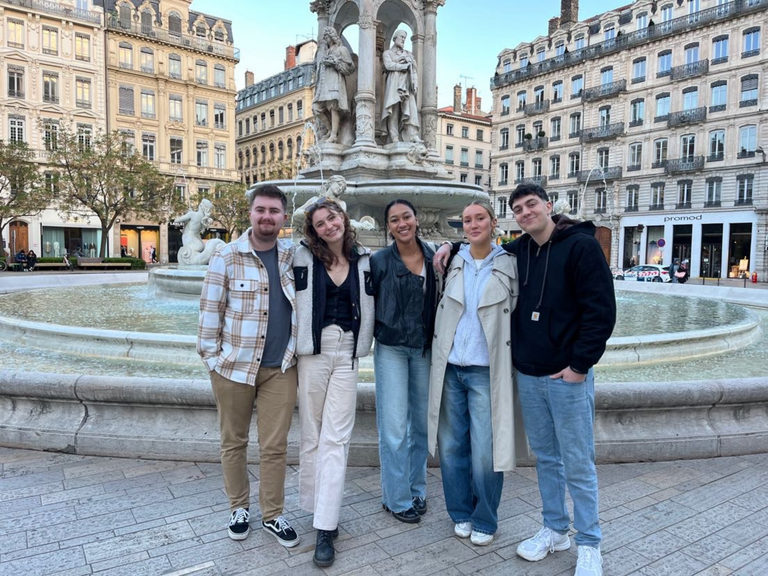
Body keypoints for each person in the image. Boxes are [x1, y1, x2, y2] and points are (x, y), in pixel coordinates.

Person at [434, 184, 616, 576]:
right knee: (547, 459)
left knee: (578, 462)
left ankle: (589, 542)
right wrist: (450, 244)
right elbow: (479, 244)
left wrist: (579, 366)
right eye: (518, 209)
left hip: (567, 376)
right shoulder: (519, 250)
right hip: (530, 375)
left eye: (531, 205)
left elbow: (601, 311)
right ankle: (555, 530)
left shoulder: (582, 247)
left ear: (548, 205)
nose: (525, 213)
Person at [197, 184, 300, 548]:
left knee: (275, 446)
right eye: (261, 210)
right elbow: (210, 310)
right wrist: (212, 360)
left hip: (280, 368)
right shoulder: (226, 256)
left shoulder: (294, 255)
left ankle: (272, 514)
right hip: (233, 367)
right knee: (233, 441)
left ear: (284, 217)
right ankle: (238, 508)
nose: (267, 217)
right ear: (251, 213)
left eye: (274, 211)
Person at [428, 199, 522, 547]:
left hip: (486, 369)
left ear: (494, 222)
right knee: (452, 446)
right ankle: (460, 512)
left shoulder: (511, 262)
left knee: (486, 449)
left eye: (480, 218)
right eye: (467, 220)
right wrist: (447, 244)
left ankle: (485, 518)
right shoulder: (453, 260)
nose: (473, 224)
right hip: (452, 367)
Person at [294, 198, 374, 568]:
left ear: (343, 217)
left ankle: (326, 526)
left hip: (348, 352)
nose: (329, 226)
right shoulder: (301, 256)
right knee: (312, 433)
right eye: (320, 223)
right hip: (313, 350)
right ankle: (316, 507)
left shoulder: (364, 259)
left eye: (332, 218)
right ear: (313, 230)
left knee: (336, 438)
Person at [370, 199, 439, 524]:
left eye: (406, 217)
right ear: (389, 226)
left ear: (416, 219)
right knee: (394, 427)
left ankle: (416, 490)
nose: (402, 224)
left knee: (422, 426)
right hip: (392, 348)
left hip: (424, 348)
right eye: (395, 219)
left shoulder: (434, 256)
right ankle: (396, 498)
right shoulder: (379, 260)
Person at [313, 26, 356, 144]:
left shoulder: (342, 50)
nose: (325, 39)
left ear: (332, 36)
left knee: (333, 108)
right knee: (316, 108)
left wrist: (335, 63)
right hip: (324, 85)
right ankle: (331, 129)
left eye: (326, 36)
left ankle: (333, 135)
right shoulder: (325, 52)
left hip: (335, 82)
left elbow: (351, 68)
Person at [381, 30, 421, 143]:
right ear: (395, 38)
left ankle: (412, 135)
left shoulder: (408, 54)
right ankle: (394, 136)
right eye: (401, 37)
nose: (403, 39)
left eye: (404, 38)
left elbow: (414, 70)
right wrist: (403, 66)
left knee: (411, 108)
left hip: (406, 84)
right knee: (393, 109)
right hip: (393, 82)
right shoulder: (387, 53)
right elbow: (388, 65)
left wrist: (415, 83)